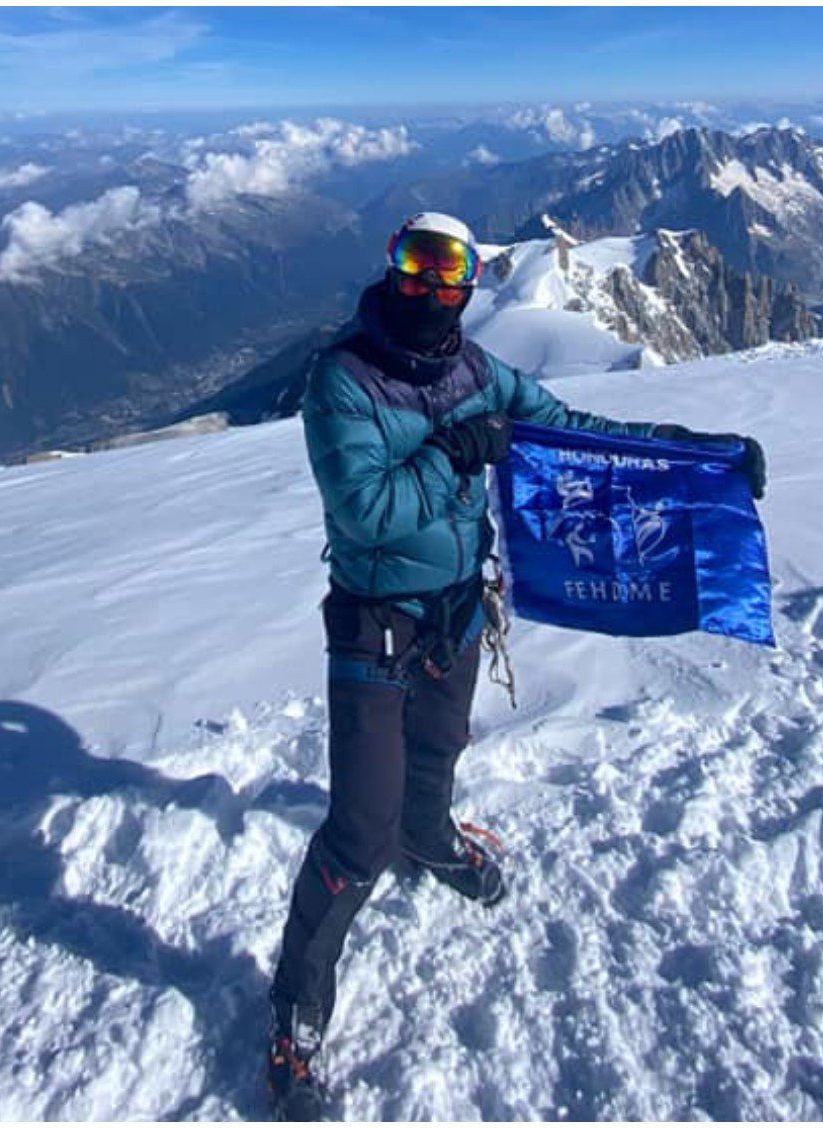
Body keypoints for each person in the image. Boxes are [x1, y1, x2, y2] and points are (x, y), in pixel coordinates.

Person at [267, 212, 767, 1118]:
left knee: (442, 749)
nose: (426, 287)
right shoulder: (342, 380)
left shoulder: (474, 370)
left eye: (445, 271)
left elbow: (567, 432)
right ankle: (295, 1016)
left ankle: (434, 837)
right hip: (376, 624)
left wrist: (695, 458)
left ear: (468, 281)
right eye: (413, 268)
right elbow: (367, 510)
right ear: (391, 271)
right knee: (357, 831)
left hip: (458, 611)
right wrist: (454, 451)